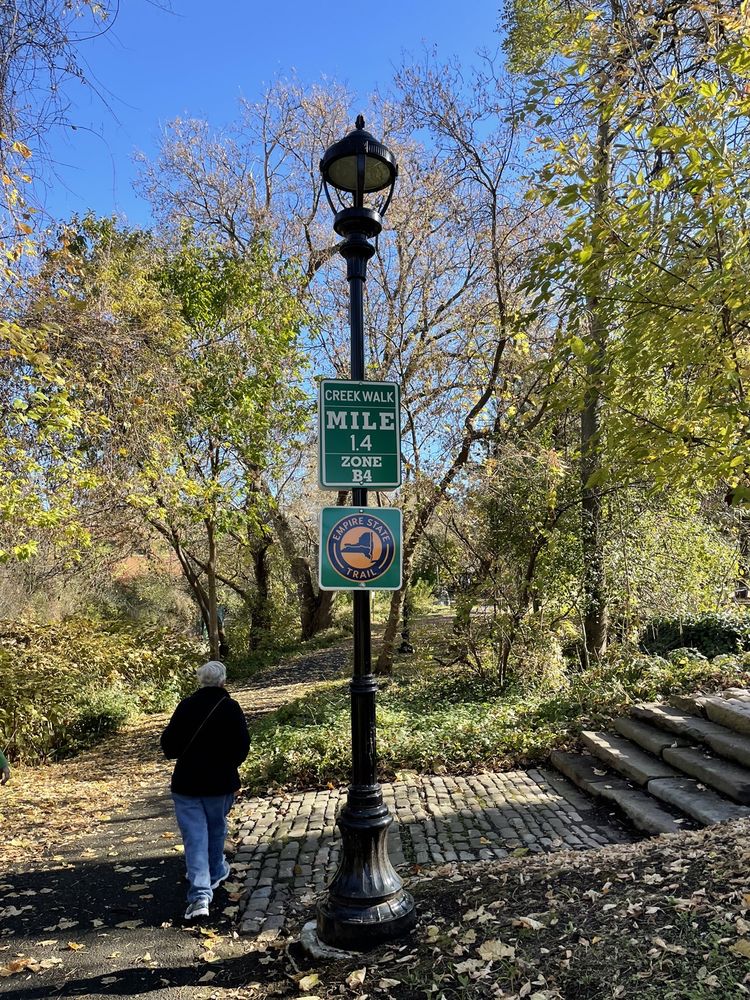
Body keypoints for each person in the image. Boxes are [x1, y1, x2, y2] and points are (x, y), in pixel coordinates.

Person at [161, 660, 250, 921]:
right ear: (223, 681)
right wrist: (227, 765)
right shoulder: (230, 707)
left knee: (194, 837)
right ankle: (215, 872)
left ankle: (200, 895)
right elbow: (242, 746)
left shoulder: (186, 706)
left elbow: (169, 746)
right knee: (216, 828)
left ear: (201, 680)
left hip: (187, 782)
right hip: (220, 783)